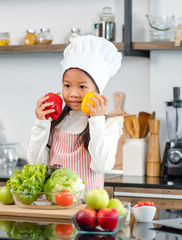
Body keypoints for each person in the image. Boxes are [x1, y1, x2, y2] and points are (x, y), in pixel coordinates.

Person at [27, 35, 123, 191]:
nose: (73, 94)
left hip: (88, 209)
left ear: (97, 91)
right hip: (56, 207)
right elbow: (36, 164)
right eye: (67, 85)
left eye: (82, 87)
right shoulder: (57, 121)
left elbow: (101, 166)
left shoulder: (108, 125)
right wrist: (41, 123)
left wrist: (97, 120)